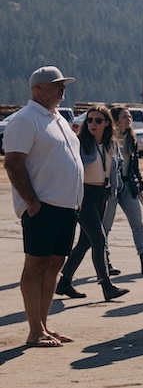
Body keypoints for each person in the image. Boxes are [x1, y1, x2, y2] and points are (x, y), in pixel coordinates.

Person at [6, 66, 87, 347]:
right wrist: (31, 202)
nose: (62, 88)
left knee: (54, 264)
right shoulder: (25, 119)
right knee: (36, 265)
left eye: (63, 83)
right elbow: (13, 162)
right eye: (56, 84)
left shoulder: (58, 119)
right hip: (43, 205)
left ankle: (43, 326)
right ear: (38, 88)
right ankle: (34, 330)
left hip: (66, 205)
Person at [55, 106, 129, 301]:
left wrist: (115, 189)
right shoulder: (80, 144)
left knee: (85, 242)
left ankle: (64, 282)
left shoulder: (111, 144)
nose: (92, 124)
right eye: (89, 121)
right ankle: (106, 285)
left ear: (106, 123)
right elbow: (71, 173)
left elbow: (115, 168)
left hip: (102, 194)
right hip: (84, 196)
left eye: (97, 120)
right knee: (99, 238)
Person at [106, 106, 143, 274]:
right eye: (124, 117)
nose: (128, 119)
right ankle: (105, 262)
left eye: (129, 116)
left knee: (137, 224)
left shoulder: (130, 139)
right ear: (115, 120)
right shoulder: (108, 139)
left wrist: (140, 187)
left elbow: (135, 166)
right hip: (111, 187)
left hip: (128, 185)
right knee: (105, 226)